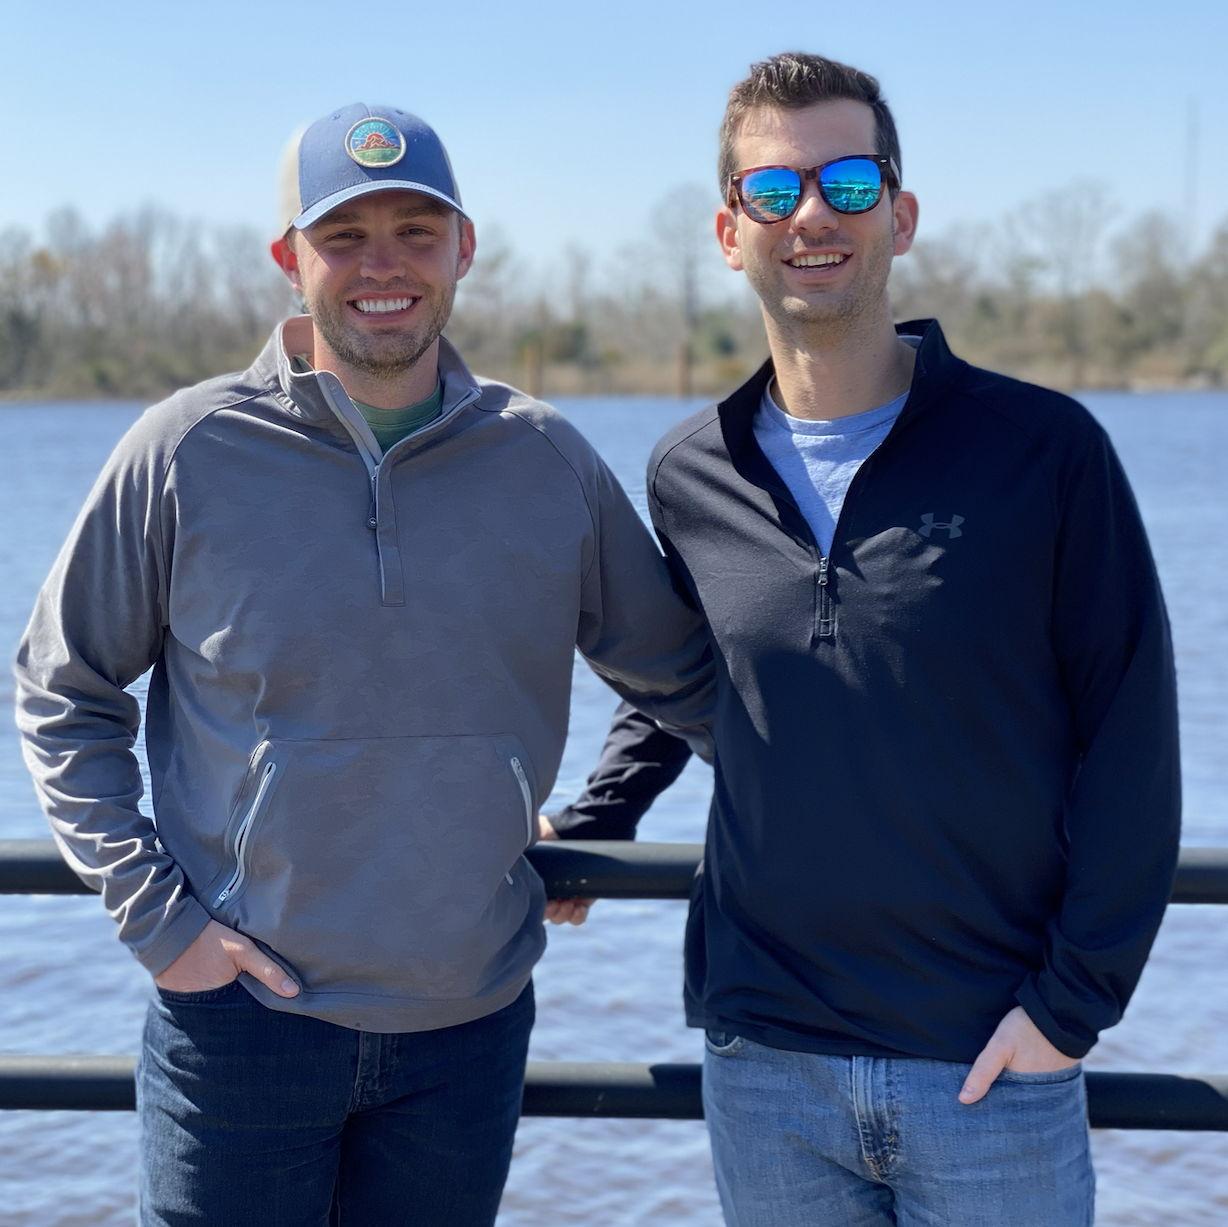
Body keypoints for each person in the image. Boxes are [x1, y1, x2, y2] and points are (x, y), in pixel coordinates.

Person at [13, 102, 712, 1226]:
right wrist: (162, 926)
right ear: (289, 259)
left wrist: (873, 818)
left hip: (468, 1027)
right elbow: (64, 689)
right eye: (343, 237)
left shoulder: (546, 459)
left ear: (463, 249)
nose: (382, 266)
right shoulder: (185, 450)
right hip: (240, 1019)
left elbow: (686, 678)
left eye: (415, 232)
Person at [546, 52, 1181, 1225]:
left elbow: (1132, 742)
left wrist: (1067, 1013)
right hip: (766, 1063)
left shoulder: (1043, 452)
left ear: (901, 214)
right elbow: (687, 668)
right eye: (772, 190)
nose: (812, 216)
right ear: (729, 232)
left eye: (847, 182)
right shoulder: (690, 471)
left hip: (989, 1061)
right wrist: (599, 817)